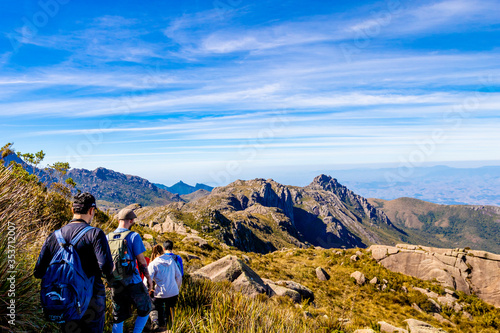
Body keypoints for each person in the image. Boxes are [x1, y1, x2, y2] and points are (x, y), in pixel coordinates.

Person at [34, 192, 113, 333]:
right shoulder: (95, 234)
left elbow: (38, 272)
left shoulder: (54, 236)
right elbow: (106, 267)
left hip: (64, 300)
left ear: (72, 210)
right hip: (92, 301)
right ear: (91, 210)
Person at [108, 208, 153, 333]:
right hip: (133, 281)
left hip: (115, 282)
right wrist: (148, 278)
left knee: (118, 315)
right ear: (131, 220)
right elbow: (142, 261)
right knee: (146, 307)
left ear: (118, 220)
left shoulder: (108, 237)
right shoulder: (133, 236)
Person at [147, 241, 182, 331]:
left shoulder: (153, 264)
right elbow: (179, 276)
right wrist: (176, 288)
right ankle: (170, 325)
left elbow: (147, 280)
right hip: (174, 292)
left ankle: (156, 322)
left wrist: (149, 290)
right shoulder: (171, 261)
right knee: (170, 307)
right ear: (162, 251)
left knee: (153, 303)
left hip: (161, 294)